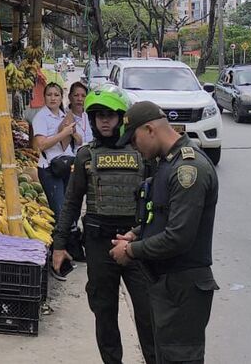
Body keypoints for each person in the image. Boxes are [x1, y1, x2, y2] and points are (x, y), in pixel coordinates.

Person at [51, 84, 157, 364]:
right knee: (104, 313)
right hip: (99, 244)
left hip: (137, 244)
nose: (105, 121)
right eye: (99, 116)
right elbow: (71, 203)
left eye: (110, 115)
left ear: (122, 117)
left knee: (149, 315)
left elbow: (160, 202)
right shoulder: (86, 155)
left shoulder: (143, 153)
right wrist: (59, 245)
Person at [111, 102, 219, 364]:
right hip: (168, 285)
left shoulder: (188, 170)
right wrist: (138, 233)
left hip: (183, 288)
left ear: (149, 129)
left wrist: (130, 251)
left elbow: (178, 237)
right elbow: (161, 214)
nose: (134, 148)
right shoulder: (168, 162)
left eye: (134, 140)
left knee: (179, 358)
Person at [34, 82, 77, 222]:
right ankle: (58, 242)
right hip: (50, 170)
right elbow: (41, 144)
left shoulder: (64, 116)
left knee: (69, 210)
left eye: (56, 95)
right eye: (49, 95)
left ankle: (69, 240)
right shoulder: (41, 117)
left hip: (67, 166)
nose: (53, 98)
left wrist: (73, 133)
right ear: (44, 97)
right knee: (59, 213)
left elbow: (79, 141)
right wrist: (63, 133)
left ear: (61, 98)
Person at [67, 82, 94, 147]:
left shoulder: (89, 116)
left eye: (83, 96)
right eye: (76, 95)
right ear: (69, 97)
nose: (80, 99)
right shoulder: (64, 117)